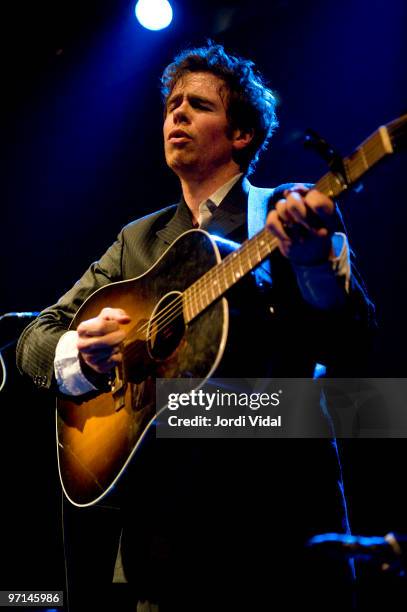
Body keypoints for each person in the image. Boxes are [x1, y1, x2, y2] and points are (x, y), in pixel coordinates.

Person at [16, 43, 373, 611]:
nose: (176, 113)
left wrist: (310, 261)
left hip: (274, 530)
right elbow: (34, 337)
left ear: (241, 135)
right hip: (157, 548)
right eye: (171, 104)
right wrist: (82, 357)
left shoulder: (289, 212)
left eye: (198, 105)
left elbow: (355, 345)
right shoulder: (138, 241)